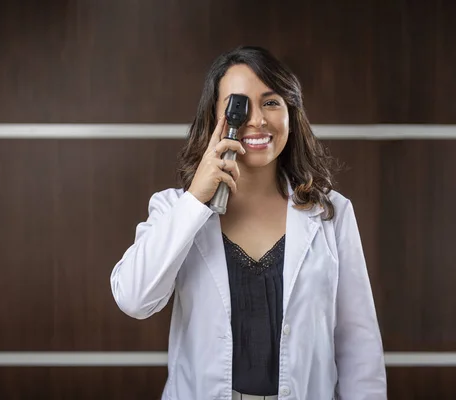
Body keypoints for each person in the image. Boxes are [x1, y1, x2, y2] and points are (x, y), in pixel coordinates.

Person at [110, 45, 386, 400]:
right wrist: (196, 199)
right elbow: (134, 299)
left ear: (291, 113)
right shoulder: (174, 210)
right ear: (214, 117)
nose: (256, 119)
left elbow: (359, 346)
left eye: (271, 103)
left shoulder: (332, 213)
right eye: (239, 106)